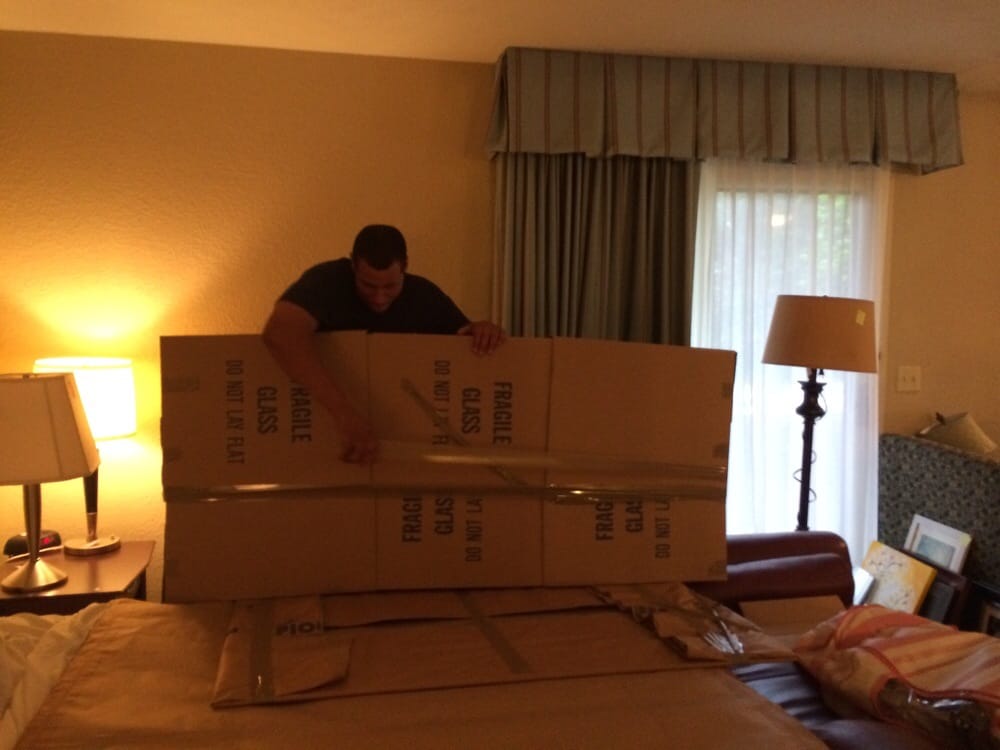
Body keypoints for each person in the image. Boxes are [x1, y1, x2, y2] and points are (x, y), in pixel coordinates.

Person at [262, 224, 506, 464]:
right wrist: (344, 415)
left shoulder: (424, 296)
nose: (379, 298)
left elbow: (464, 346)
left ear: (405, 267)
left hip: (402, 454)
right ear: (353, 266)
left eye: (390, 286)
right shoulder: (327, 281)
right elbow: (280, 334)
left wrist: (482, 330)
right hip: (322, 442)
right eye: (368, 285)